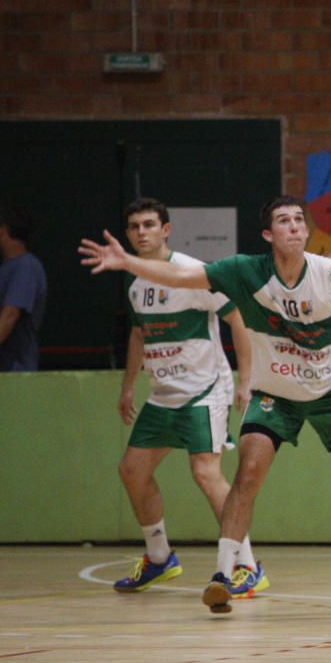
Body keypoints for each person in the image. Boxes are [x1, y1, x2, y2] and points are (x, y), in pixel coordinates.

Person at [81, 195, 331, 616]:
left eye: (300, 220)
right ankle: (224, 577)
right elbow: (179, 275)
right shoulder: (244, 271)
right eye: (284, 221)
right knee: (248, 471)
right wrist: (127, 263)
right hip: (274, 395)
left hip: (330, 394)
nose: (295, 226)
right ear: (269, 235)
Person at [111, 198, 266, 599]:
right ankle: (160, 557)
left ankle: (248, 565)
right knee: (131, 470)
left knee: (205, 472)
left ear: (165, 230)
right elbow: (138, 334)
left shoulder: (193, 273)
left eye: (149, 225)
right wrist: (129, 385)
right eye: (134, 227)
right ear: (128, 234)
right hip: (163, 395)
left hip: (204, 390)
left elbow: (238, 318)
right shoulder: (132, 279)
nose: (141, 232)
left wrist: (245, 380)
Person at [0, 207, 47, 372]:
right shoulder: (6, 268)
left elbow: (10, 315)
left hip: (15, 372)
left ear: (4, 230)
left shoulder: (26, 266)